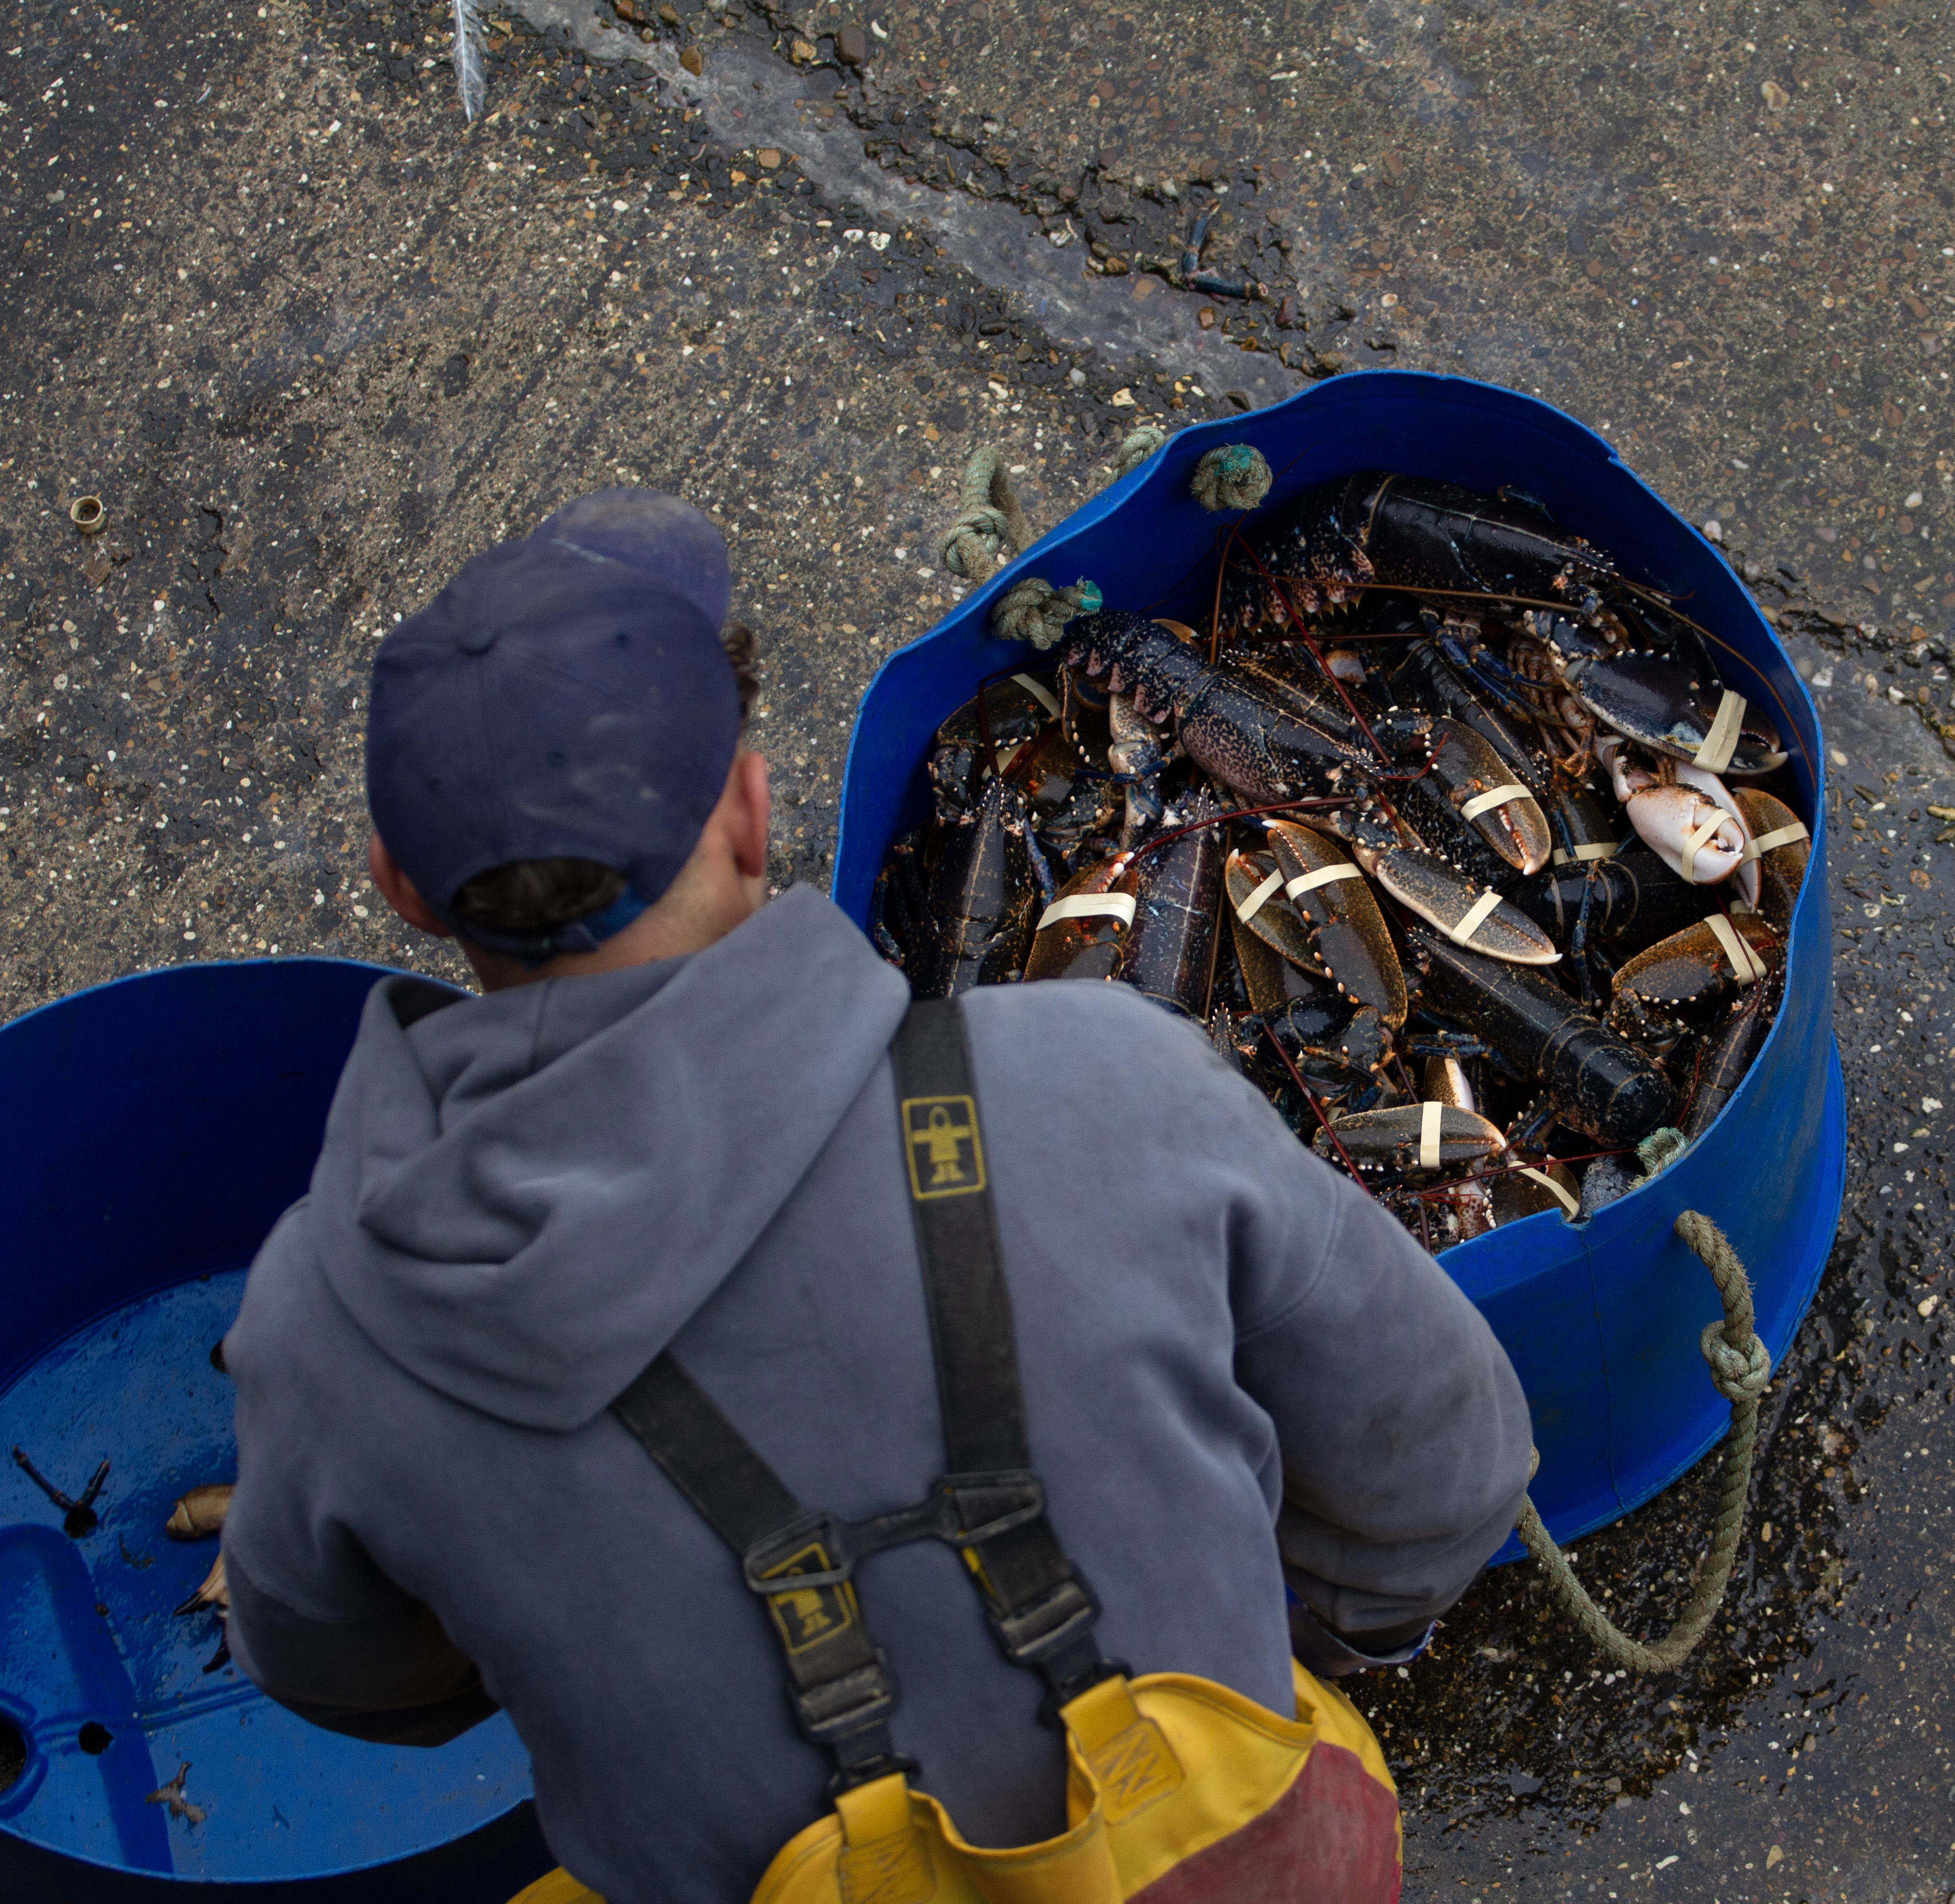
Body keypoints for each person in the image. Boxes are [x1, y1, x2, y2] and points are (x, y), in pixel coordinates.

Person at [219, 490, 1534, 1901]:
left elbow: (357, 1682)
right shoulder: (1112, 1079)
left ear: (399, 885)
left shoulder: (323, 1334)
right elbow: (1447, 1474)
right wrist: (1257, 1619)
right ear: (747, 804)